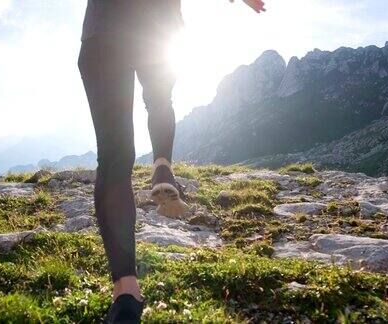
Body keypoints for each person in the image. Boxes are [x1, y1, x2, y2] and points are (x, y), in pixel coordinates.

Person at [77, 0, 266, 322]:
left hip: (104, 30)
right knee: (160, 100)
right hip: (158, 26)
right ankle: (162, 164)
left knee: (114, 157)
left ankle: (126, 291)